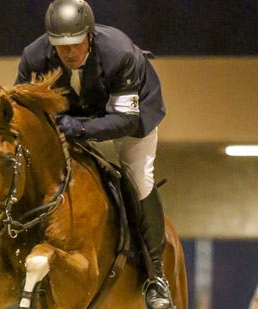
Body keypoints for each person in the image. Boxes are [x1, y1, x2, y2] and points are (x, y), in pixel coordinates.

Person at [15, 1, 172, 308]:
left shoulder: (119, 53)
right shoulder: (33, 58)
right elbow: (24, 114)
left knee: (139, 178)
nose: (69, 53)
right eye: (61, 47)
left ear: (90, 36)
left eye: (75, 44)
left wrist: (80, 128)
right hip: (75, 115)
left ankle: (157, 279)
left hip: (132, 115)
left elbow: (124, 119)